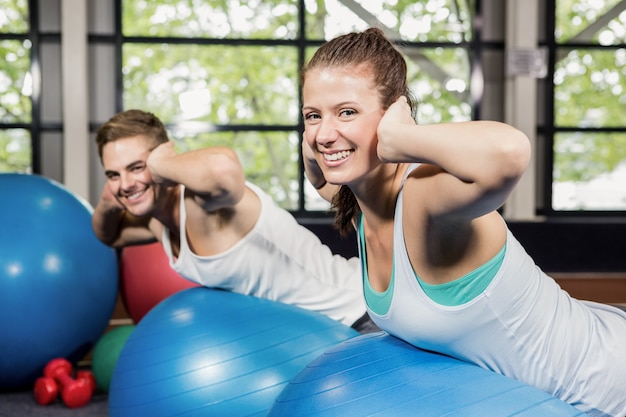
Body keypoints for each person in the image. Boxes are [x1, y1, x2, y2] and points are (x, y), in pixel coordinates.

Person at [301, 27, 626, 416]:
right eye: (313, 115)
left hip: (604, 390)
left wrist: (403, 137)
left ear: (391, 115)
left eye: (347, 112)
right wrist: (317, 144)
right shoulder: (358, 205)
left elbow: (509, 152)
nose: (324, 133)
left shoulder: (424, 198)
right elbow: (320, 176)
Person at [91, 109, 379, 334]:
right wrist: (107, 202)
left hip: (359, 312)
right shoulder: (156, 221)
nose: (126, 183)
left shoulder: (202, 203)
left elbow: (225, 170)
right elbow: (109, 237)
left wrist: (159, 165)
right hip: (313, 332)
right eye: (113, 174)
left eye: (137, 167)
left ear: (161, 157)